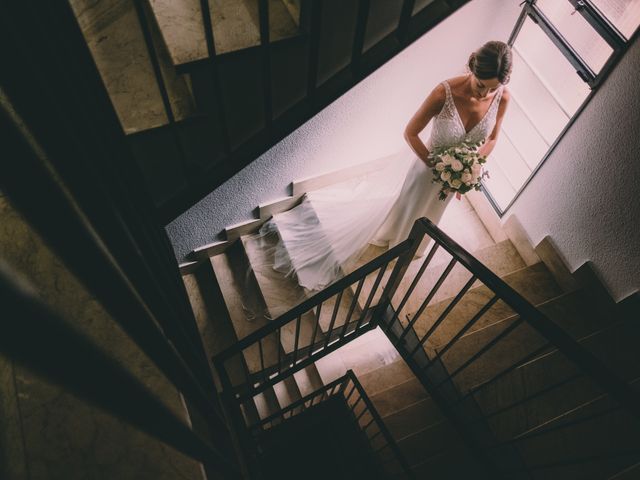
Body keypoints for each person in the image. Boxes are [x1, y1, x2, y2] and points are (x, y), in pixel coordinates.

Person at [256, 41, 513, 293]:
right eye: (481, 85)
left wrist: (470, 168)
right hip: (426, 171)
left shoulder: (502, 98)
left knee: (432, 213)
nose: (483, 94)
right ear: (472, 68)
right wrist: (438, 167)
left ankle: (415, 246)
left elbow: (491, 139)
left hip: (452, 180)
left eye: (491, 89)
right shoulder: (444, 93)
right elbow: (411, 133)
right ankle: (394, 236)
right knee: (407, 208)